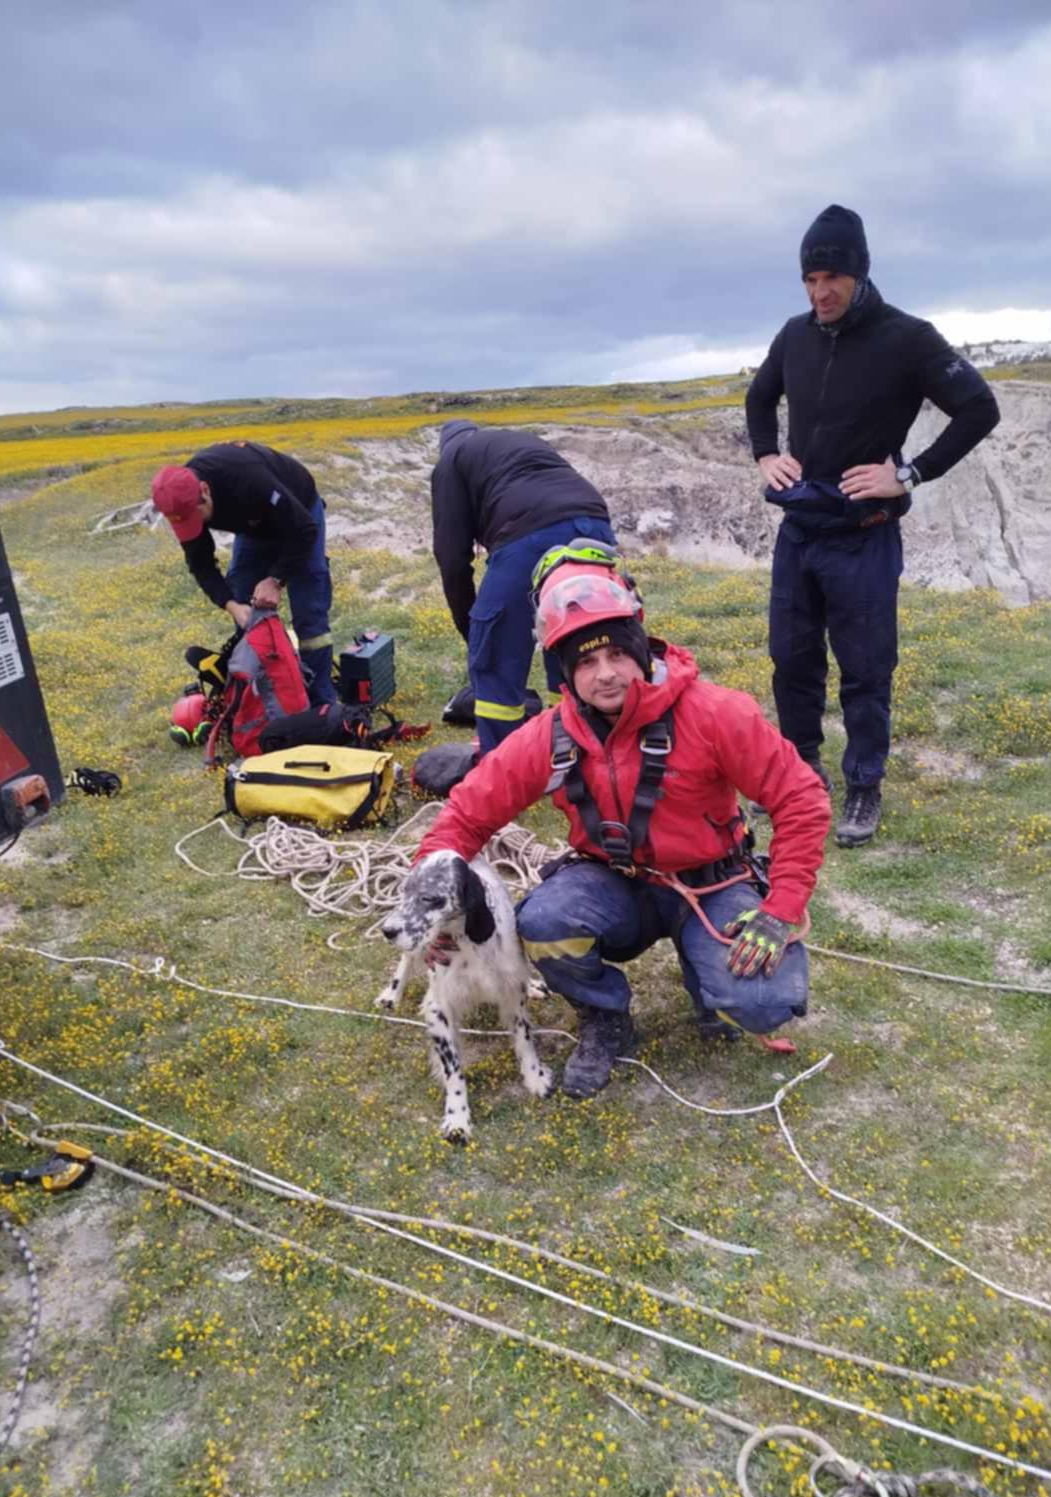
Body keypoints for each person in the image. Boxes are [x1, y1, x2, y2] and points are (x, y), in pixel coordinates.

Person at [413, 549, 832, 1099]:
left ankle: (707, 985)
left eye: (617, 653)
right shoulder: (551, 735)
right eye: (585, 662)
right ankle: (605, 1017)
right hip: (612, 885)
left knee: (763, 1002)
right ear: (566, 672)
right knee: (543, 924)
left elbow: (801, 797)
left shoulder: (715, 714)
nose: (605, 673)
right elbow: (464, 817)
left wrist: (781, 908)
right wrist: (432, 910)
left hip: (713, 884)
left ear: (642, 650)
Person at [745, 204, 1000, 847]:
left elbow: (979, 409)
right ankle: (800, 777)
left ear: (859, 273)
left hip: (864, 534)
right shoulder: (794, 335)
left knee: (865, 668)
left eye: (831, 277)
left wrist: (908, 474)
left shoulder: (908, 338)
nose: (819, 291)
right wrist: (766, 454)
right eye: (809, 279)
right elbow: (758, 397)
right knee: (790, 660)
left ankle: (864, 785)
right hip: (799, 531)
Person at [430, 419, 616, 755]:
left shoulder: (451, 460)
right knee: (576, 639)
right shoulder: (513, 441)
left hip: (530, 533)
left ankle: (503, 768)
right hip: (595, 524)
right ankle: (584, 749)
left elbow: (451, 558)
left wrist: (473, 631)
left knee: (495, 659)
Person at [152, 441, 337, 705]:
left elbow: (304, 531)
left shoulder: (248, 478)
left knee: (310, 613)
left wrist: (276, 579)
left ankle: (321, 705)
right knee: (241, 597)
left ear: (204, 490)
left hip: (299, 514)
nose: (199, 525)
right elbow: (201, 565)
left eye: (198, 516)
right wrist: (232, 607)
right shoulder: (181, 501)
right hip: (253, 526)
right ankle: (258, 698)